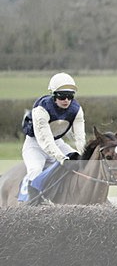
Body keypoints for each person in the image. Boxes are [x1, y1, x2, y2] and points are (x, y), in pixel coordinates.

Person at [20, 72, 86, 200]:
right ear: (54, 96)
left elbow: (79, 138)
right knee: (35, 171)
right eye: (62, 96)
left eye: (70, 96)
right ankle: (32, 205)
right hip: (35, 145)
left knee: (79, 161)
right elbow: (46, 141)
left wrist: (84, 155)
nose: (66, 100)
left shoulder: (76, 109)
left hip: (57, 142)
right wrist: (62, 158)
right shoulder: (41, 109)